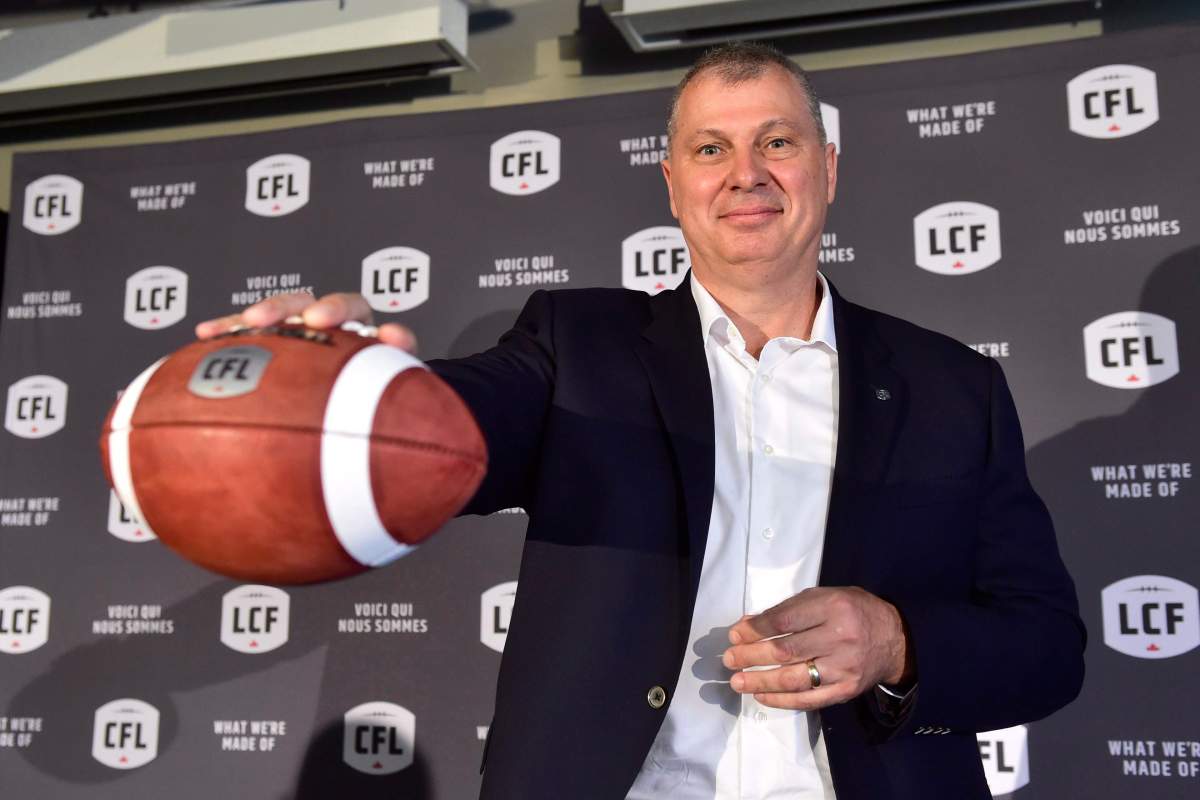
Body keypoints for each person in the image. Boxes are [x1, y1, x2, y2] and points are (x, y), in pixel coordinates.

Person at [199, 42, 1084, 800]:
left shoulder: (952, 387)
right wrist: (351, 382)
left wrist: (896, 641)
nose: (747, 173)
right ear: (672, 184)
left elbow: (1046, 648)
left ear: (829, 166)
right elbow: (448, 425)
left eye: (778, 140)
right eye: (711, 148)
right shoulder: (577, 346)